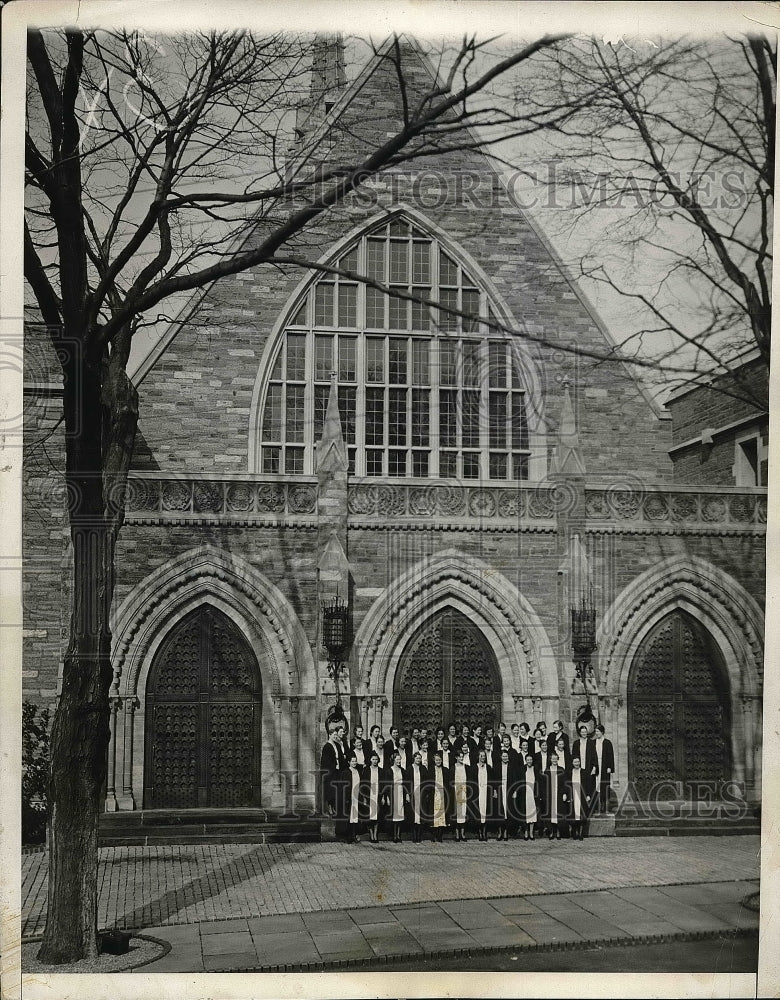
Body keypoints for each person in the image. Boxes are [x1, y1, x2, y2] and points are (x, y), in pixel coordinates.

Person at [320, 719, 347, 835]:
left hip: (336, 771)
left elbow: (340, 756)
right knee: (330, 790)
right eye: (334, 734)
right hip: (330, 772)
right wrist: (333, 767)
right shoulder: (327, 746)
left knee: (336, 790)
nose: (336, 736)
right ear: (330, 735)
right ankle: (330, 807)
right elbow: (326, 760)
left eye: (337, 734)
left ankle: (334, 807)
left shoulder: (336, 745)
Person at [571, 723, 599, 810]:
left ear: (587, 733)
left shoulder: (591, 743)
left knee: (589, 787)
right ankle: (580, 808)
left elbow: (594, 755)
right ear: (579, 733)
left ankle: (591, 808)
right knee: (580, 787)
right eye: (582, 732)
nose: (584, 733)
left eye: (585, 732)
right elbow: (574, 756)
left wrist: (594, 767)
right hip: (579, 769)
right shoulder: (576, 743)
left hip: (588, 769)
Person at [543, 751, 568, 840]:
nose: (554, 760)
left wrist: (565, 793)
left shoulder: (561, 769)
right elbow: (544, 784)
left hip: (559, 794)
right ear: (550, 760)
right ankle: (551, 832)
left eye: (556, 759)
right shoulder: (547, 770)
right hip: (550, 795)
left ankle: (558, 832)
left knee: (558, 814)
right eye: (553, 759)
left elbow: (565, 783)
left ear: (558, 759)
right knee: (551, 814)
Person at [567, 754, 591, 840]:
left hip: (582, 795)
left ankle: (581, 833)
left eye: (578, 761)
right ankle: (575, 832)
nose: (577, 763)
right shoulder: (570, 772)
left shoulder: (584, 772)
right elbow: (568, 785)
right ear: (572, 763)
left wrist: (588, 795)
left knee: (582, 814)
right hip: (573, 794)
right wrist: (569, 795)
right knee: (574, 814)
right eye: (575, 762)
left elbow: (589, 785)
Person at [362, 750, 384, 843]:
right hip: (369, 795)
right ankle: (371, 834)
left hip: (377, 795)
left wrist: (383, 797)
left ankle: (375, 834)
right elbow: (363, 784)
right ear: (370, 760)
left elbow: (383, 784)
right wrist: (364, 798)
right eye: (373, 759)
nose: (375, 761)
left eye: (376, 759)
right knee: (369, 816)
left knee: (377, 816)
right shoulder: (366, 770)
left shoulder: (381, 770)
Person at [518, 752, 540, 840]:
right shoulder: (522, 769)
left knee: (533, 813)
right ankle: (526, 832)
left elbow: (538, 782)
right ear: (525, 760)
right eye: (528, 760)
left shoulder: (536, 769)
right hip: (525, 793)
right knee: (525, 813)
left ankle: (531, 832)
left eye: (531, 760)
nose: (529, 761)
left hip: (533, 794)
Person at [473, 749, 494, 840]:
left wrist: (493, 791)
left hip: (486, 791)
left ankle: (485, 832)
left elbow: (492, 781)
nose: (482, 757)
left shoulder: (488, 767)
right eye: (481, 756)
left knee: (486, 811)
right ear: (478, 757)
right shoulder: (474, 767)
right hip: (478, 792)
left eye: (484, 756)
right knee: (478, 811)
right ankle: (479, 832)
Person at [594, 724, 615, 814]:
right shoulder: (593, 742)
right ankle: (597, 806)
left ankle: (605, 806)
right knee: (596, 786)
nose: (596, 733)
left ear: (602, 732)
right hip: (596, 766)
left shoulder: (607, 742)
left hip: (604, 766)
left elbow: (611, 756)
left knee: (604, 786)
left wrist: (610, 767)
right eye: (595, 731)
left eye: (598, 731)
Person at [495, 748, 514, 841]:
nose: (505, 758)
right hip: (500, 789)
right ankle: (499, 832)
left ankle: (506, 832)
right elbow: (494, 780)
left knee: (507, 810)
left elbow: (515, 780)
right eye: (503, 756)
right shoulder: (497, 766)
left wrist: (514, 791)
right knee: (499, 810)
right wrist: (495, 790)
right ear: (501, 757)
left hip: (508, 788)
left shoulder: (511, 767)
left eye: (506, 756)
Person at [451, 748, 471, 841]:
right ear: (456, 757)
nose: (461, 758)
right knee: (456, 812)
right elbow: (451, 781)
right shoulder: (453, 767)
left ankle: (463, 833)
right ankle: (457, 834)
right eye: (459, 757)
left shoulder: (466, 767)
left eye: (462, 757)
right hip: (456, 791)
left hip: (464, 791)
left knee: (463, 811)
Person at [388, 750, 408, 842]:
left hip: (401, 793)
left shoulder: (403, 770)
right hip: (393, 793)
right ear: (393, 760)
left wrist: (407, 794)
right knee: (393, 815)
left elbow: (406, 784)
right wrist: (387, 797)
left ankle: (399, 835)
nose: (399, 761)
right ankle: (394, 836)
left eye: (400, 759)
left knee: (400, 814)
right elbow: (387, 785)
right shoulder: (390, 770)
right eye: (397, 760)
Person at [408, 750, 427, 842]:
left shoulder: (423, 769)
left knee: (420, 814)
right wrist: (408, 794)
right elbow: (407, 783)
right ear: (413, 759)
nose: (418, 760)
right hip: (412, 793)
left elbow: (427, 782)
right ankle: (414, 835)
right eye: (417, 758)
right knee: (413, 814)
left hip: (421, 792)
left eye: (420, 758)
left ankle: (419, 835)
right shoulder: (409, 768)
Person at [431, 750, 450, 842]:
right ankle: (434, 835)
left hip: (442, 793)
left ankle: (440, 835)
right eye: (437, 760)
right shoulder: (431, 770)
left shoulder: (445, 770)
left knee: (442, 814)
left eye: (440, 760)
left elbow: (448, 784)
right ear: (434, 761)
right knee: (434, 814)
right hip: (434, 794)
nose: (438, 762)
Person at [344, 753, 362, 843]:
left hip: (357, 796)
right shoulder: (346, 772)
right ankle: (349, 836)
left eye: (355, 761)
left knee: (355, 817)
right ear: (349, 762)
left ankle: (354, 835)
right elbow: (345, 787)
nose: (354, 763)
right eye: (352, 761)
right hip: (350, 797)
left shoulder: (358, 771)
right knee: (349, 817)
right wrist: (346, 798)